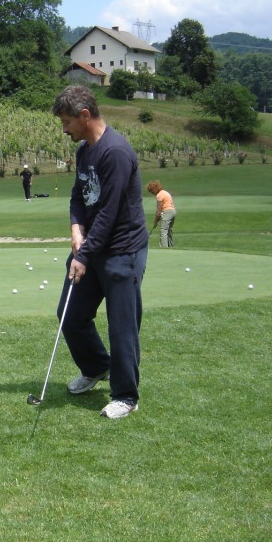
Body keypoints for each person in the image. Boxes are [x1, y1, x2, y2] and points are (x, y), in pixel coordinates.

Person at [52, 85, 148, 419]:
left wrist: (82, 255)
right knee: (70, 313)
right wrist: (76, 229)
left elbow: (108, 213)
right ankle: (96, 367)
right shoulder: (84, 151)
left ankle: (125, 396)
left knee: (122, 325)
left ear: (84, 115)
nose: (64, 129)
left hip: (122, 250)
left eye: (67, 122)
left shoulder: (116, 152)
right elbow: (79, 196)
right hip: (92, 247)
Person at [147, 180, 176, 247]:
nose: (152, 193)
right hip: (173, 211)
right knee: (169, 230)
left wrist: (155, 222)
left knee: (163, 230)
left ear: (155, 189)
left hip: (167, 212)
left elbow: (158, 211)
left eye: (152, 191)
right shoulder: (165, 192)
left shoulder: (159, 195)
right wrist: (158, 219)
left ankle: (164, 247)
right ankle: (170, 246)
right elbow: (160, 212)